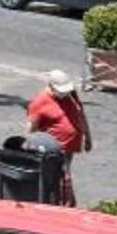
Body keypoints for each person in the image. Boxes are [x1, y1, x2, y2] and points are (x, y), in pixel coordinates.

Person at [30, 72, 94, 204]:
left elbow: (81, 115)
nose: (65, 94)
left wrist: (88, 136)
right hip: (53, 148)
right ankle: (65, 202)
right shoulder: (40, 101)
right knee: (62, 176)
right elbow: (32, 128)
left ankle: (63, 201)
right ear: (51, 86)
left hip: (70, 147)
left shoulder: (71, 95)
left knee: (63, 174)